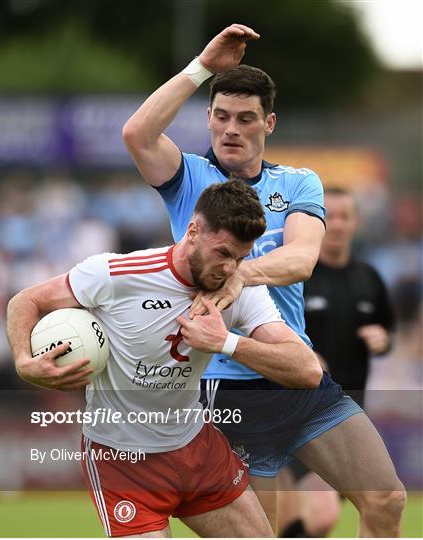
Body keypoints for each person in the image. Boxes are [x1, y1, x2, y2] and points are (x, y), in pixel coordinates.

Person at [122, 23, 406, 537]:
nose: (232, 128)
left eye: (246, 118)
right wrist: (202, 67)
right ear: (208, 119)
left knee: (385, 499)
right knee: (265, 534)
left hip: (294, 376)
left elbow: (300, 259)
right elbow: (137, 134)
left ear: (268, 123)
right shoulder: (188, 180)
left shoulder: (296, 182)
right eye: (222, 116)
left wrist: (239, 273)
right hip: (225, 392)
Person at [6, 180, 323, 538]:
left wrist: (227, 343)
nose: (230, 269)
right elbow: (25, 301)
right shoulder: (116, 275)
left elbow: (308, 370)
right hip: (122, 461)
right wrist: (23, 361)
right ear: (193, 231)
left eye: (241, 257)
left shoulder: (241, 290)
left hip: (196, 449)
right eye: (222, 253)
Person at [287, 187, 396, 537]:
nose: (335, 225)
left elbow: (388, 329)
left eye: (343, 216)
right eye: (328, 216)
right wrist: (302, 354)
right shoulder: (298, 276)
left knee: (383, 503)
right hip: (305, 416)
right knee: (320, 514)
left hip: (353, 415)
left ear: (355, 222)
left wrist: (383, 340)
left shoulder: (370, 278)